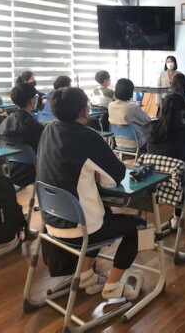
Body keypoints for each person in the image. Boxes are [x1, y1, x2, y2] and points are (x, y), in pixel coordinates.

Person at [37, 87, 144, 299]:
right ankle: (113, 287)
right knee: (136, 227)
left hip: (50, 223)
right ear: (83, 110)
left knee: (103, 216)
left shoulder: (47, 130)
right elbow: (116, 175)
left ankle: (86, 276)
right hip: (81, 228)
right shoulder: (87, 137)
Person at [142, 92, 185, 229]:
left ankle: (176, 219)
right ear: (182, 112)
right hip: (178, 186)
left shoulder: (150, 128)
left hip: (152, 183)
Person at [0, 83, 44, 188]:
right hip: (33, 172)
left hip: (12, 170)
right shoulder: (34, 127)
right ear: (32, 101)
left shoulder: (5, 122)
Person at [108, 78, 151, 150]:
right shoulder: (133, 107)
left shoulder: (111, 105)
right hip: (137, 143)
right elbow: (147, 121)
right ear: (130, 91)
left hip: (119, 142)